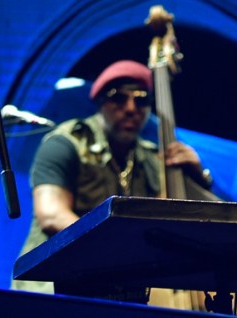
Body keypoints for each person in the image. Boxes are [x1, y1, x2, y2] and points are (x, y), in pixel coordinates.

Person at [12, 59, 218, 293]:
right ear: (101, 102)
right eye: (119, 98)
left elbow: (188, 221)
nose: (131, 108)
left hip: (109, 289)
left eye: (141, 100)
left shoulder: (149, 159)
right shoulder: (66, 143)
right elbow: (51, 215)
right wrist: (119, 250)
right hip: (52, 287)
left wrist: (199, 176)